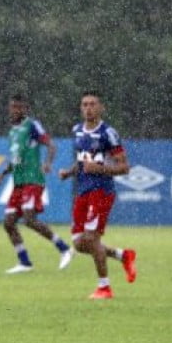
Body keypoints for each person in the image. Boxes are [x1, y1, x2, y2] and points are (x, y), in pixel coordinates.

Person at [59, 91, 136, 299]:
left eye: (93, 104)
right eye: (84, 104)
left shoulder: (108, 133)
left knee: (91, 239)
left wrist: (100, 168)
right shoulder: (76, 131)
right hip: (82, 191)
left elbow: (124, 167)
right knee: (78, 242)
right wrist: (70, 171)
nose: (88, 108)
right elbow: (83, 161)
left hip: (101, 192)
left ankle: (104, 287)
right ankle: (122, 255)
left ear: (101, 108)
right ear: (80, 108)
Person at [0, 93, 74, 274]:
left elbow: (51, 145)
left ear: (25, 109)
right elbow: (16, 158)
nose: (15, 110)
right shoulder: (13, 131)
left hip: (33, 180)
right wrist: (3, 174)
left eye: (19, 107)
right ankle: (24, 262)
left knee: (29, 219)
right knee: (8, 222)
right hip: (19, 182)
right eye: (12, 107)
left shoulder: (31, 126)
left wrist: (47, 163)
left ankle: (64, 248)